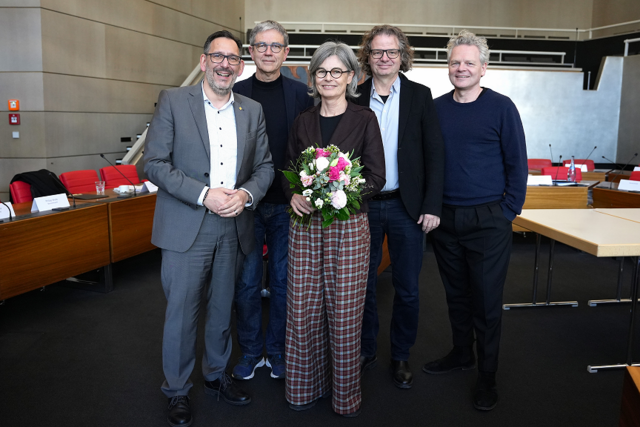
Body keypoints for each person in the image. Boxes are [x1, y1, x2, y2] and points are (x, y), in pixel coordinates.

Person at [144, 30, 274, 427]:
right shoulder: (173, 101)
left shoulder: (251, 110)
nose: (224, 64)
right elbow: (152, 163)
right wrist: (204, 195)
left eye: (233, 59)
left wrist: (246, 196)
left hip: (233, 226)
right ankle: (178, 390)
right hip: (187, 225)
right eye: (218, 57)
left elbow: (265, 166)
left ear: (240, 66)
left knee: (222, 310)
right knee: (182, 313)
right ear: (204, 62)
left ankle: (216, 376)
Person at [423, 30, 528, 411]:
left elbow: (518, 165)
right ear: (447, 66)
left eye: (469, 62)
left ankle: (487, 375)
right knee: (456, 296)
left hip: (489, 220)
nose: (461, 68)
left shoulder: (502, 107)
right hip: (444, 219)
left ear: (484, 67)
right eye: (455, 62)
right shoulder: (434, 108)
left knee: (485, 303)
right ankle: (460, 353)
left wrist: (506, 212)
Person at [283, 41, 386, 417]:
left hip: (348, 226)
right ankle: (303, 388)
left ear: (351, 77)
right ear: (313, 78)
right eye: (322, 72)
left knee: (343, 313)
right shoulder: (303, 121)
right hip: (306, 226)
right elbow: (289, 171)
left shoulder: (364, 119)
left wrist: (343, 192)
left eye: (336, 71)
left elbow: (377, 176)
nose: (329, 78)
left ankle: (344, 396)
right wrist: (295, 193)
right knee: (303, 309)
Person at [352, 25, 444, 389]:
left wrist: (432, 204)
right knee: (364, 286)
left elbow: (435, 155)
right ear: (368, 56)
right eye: (377, 52)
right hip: (364, 206)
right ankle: (366, 349)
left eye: (392, 52)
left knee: (407, 288)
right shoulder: (354, 95)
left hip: (408, 208)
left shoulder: (421, 96)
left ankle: (402, 354)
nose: (385, 58)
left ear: (403, 55)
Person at [231, 20, 314, 381]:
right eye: (261, 46)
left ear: (286, 52)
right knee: (247, 285)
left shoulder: (300, 94)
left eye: (275, 46)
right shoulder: (234, 91)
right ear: (250, 52)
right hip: (246, 205)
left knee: (282, 285)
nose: (268, 51)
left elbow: (310, 148)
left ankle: (278, 351)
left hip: (287, 206)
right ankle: (250, 351)